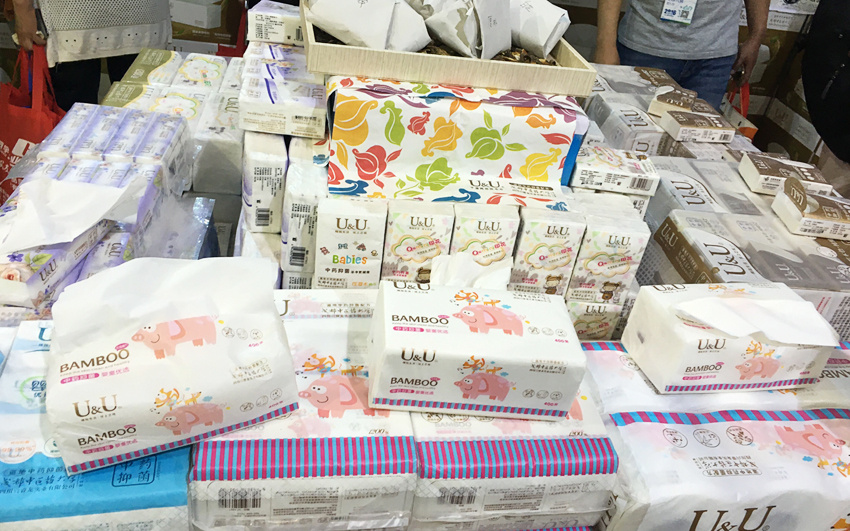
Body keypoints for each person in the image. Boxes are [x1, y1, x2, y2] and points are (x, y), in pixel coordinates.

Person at [595, 0, 769, 110]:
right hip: (645, 46)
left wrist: (757, 35)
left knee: (697, 145)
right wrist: (605, 44)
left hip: (715, 57)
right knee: (624, 137)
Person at [6, 0, 171, 111]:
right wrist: (22, 7)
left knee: (142, 112)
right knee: (141, 112)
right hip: (72, 18)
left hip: (73, 18)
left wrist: (22, 7)